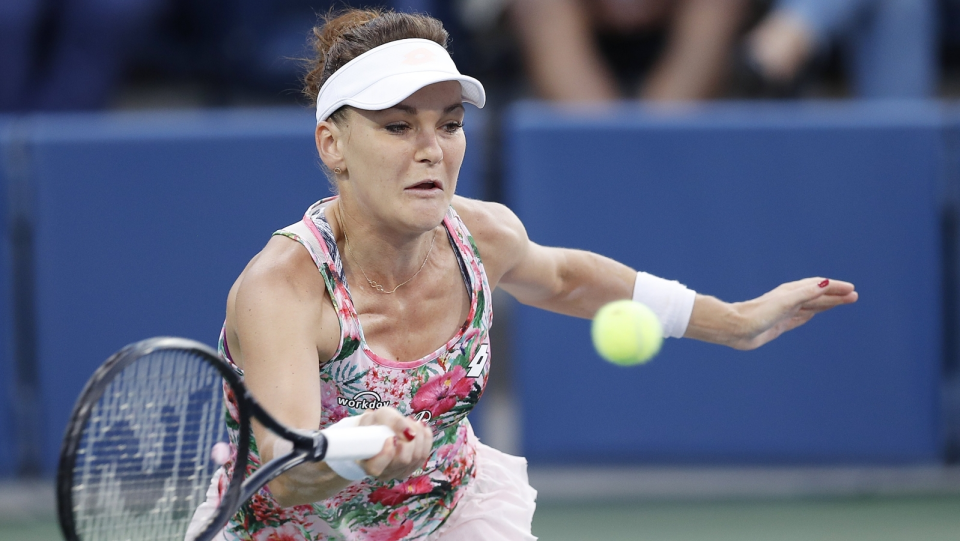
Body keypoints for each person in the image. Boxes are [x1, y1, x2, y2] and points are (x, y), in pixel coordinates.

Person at [186, 8, 858, 540]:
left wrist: (735, 321)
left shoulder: (480, 234)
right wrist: (361, 450)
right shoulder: (283, 288)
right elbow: (285, 475)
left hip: (449, 516)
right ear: (332, 144)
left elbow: (568, 278)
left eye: (448, 124)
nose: (431, 150)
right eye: (397, 127)